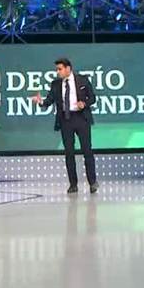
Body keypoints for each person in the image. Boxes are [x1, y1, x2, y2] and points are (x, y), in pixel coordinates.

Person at [31, 58, 98, 194]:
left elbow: (92, 98)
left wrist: (84, 103)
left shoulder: (83, 80)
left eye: (60, 69)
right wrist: (40, 102)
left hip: (81, 118)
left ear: (68, 68)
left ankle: (92, 182)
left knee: (87, 150)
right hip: (66, 120)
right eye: (57, 69)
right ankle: (73, 184)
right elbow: (49, 101)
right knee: (69, 153)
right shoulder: (56, 84)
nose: (58, 72)